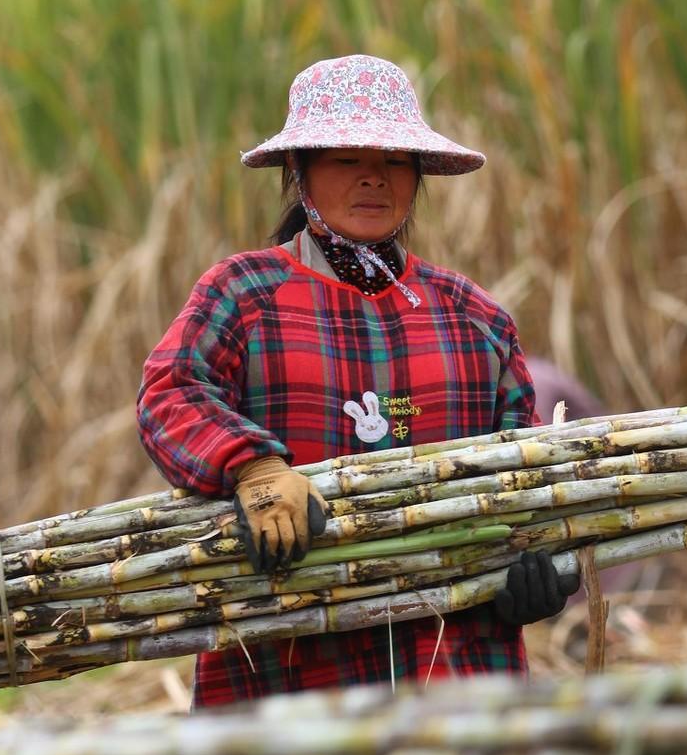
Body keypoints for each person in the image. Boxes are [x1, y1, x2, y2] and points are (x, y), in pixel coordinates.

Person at [137, 54, 578, 708]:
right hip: (287, 675)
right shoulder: (246, 294)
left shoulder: (472, 317)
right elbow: (171, 393)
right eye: (346, 159)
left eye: (394, 160)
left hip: (456, 679)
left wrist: (543, 567)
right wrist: (251, 467)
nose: (374, 177)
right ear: (301, 172)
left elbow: (524, 472)